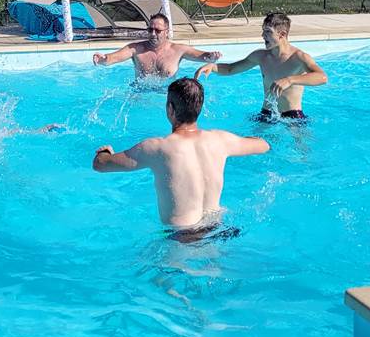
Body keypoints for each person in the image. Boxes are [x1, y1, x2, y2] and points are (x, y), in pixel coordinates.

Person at [91, 77, 269, 239]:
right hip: (219, 230)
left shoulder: (157, 147)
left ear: (170, 109)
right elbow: (263, 145)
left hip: (182, 238)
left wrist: (104, 153)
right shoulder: (220, 140)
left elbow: (100, 165)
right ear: (199, 108)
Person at [196, 12, 328, 122]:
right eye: (263, 31)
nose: (263, 35)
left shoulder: (299, 57)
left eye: (268, 32)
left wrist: (290, 80)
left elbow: (322, 77)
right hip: (266, 115)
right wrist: (212, 67)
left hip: (292, 117)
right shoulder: (261, 56)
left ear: (282, 34)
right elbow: (231, 68)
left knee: (301, 152)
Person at [91, 13, 221, 79]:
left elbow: (201, 56)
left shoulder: (178, 50)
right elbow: (114, 58)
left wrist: (211, 57)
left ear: (166, 31)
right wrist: (103, 59)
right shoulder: (136, 49)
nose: (153, 34)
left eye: (157, 30)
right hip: (140, 97)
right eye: (150, 30)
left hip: (166, 99)